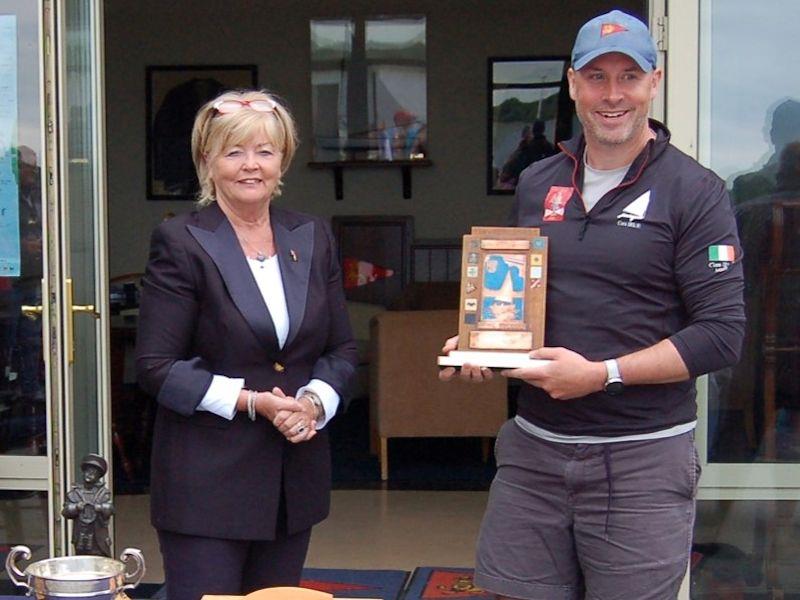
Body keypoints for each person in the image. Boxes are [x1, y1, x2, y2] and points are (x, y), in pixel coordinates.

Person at [440, 10, 745, 600]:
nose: (612, 94)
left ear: (654, 83)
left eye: (628, 76)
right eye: (596, 76)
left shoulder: (695, 191)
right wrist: (484, 346)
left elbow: (721, 334)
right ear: (573, 84)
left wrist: (601, 375)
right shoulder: (536, 182)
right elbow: (520, 302)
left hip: (641, 460)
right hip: (534, 450)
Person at [135, 89, 358, 600]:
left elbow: (342, 350)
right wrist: (253, 402)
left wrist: (313, 402)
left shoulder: (313, 235)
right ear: (207, 162)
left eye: (265, 151)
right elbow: (156, 366)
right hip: (206, 486)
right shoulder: (181, 241)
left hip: (290, 486)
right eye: (234, 152)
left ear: (283, 161)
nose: (250, 166)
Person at [61, 454, 113, 556]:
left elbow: (110, 508)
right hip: (81, 536)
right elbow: (65, 511)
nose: (89, 474)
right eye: (87, 471)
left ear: (99, 476)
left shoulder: (103, 493)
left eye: (93, 473)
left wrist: (99, 507)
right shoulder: (74, 493)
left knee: (100, 561)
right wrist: (76, 507)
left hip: (98, 537)